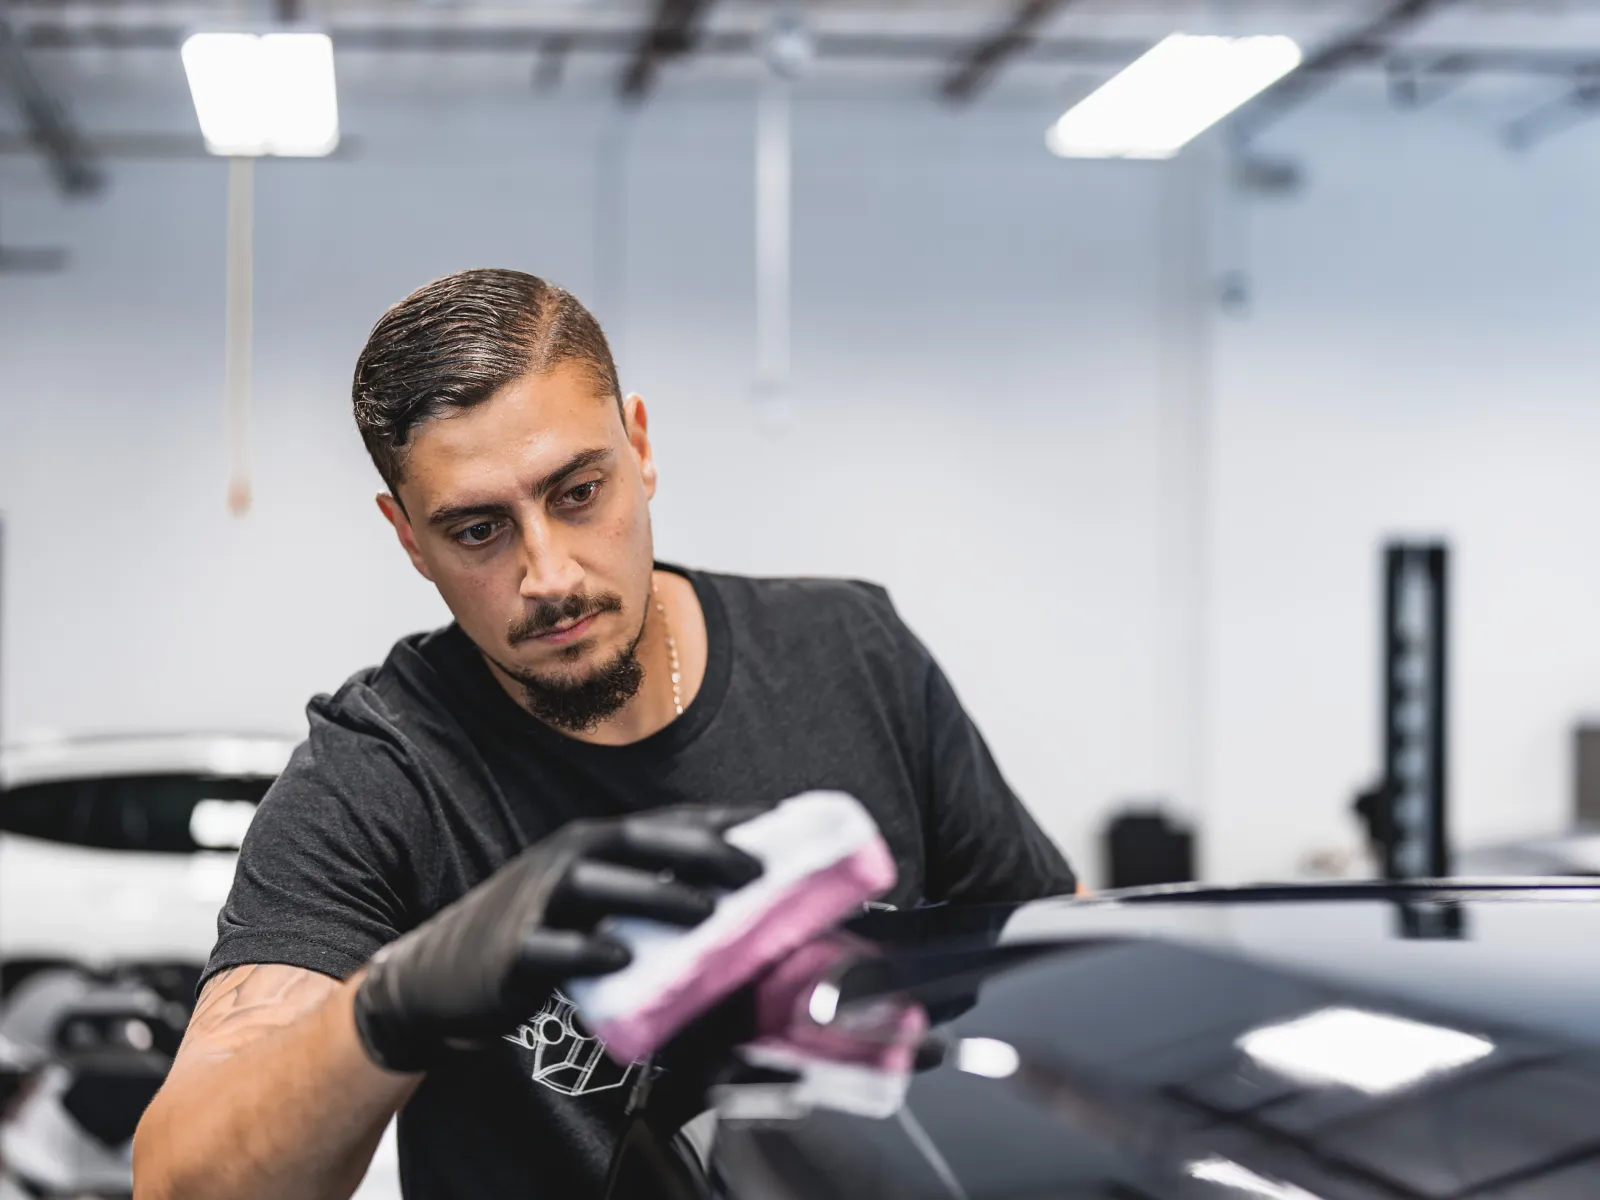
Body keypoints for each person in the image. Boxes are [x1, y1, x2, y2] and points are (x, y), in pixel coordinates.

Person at [132, 268, 1078, 1200]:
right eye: (476, 531)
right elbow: (182, 1185)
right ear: (409, 538)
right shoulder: (383, 772)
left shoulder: (852, 657)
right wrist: (396, 1002)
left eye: (578, 492)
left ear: (640, 446)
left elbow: (1061, 979)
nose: (548, 574)